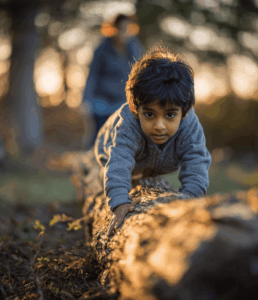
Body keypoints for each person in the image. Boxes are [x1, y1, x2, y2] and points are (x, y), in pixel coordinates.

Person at [94, 45, 212, 237]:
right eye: (149, 114)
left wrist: (190, 199)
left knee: (153, 178)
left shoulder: (190, 126)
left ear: (185, 111)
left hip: (158, 162)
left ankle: (147, 174)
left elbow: (197, 162)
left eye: (170, 115)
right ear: (135, 107)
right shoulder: (128, 125)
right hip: (109, 149)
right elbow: (119, 162)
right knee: (118, 172)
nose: (159, 125)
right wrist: (120, 202)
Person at [82, 14, 144, 149]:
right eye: (122, 28)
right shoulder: (102, 48)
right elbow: (92, 75)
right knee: (98, 139)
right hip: (101, 101)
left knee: (120, 140)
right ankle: (88, 166)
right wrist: (86, 100)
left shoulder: (135, 47)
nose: (125, 32)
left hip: (123, 101)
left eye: (128, 28)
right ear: (114, 28)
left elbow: (140, 76)